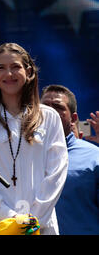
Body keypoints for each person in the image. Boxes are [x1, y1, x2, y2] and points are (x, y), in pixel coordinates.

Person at [0, 42, 68, 235]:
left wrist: (30, 222)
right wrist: (10, 219)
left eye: (15, 67)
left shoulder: (49, 116)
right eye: (1, 68)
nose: (9, 74)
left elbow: (56, 173)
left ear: (28, 72)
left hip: (40, 226)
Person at [41, 85, 99, 234]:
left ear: (73, 119)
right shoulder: (22, 155)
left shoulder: (94, 157)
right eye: (44, 106)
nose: (49, 111)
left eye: (57, 107)